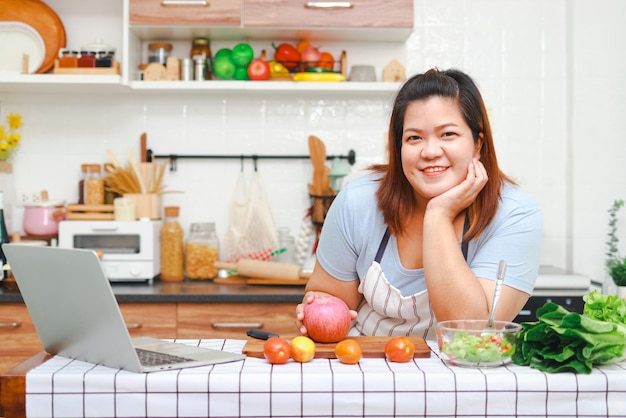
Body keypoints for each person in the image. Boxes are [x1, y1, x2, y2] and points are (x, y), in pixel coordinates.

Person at [296, 68, 543, 340]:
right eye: (414, 137)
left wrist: (438, 215)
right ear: (398, 146)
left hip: (462, 374)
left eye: (448, 134)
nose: (430, 152)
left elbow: (471, 333)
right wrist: (318, 311)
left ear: (477, 144)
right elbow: (331, 299)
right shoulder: (358, 201)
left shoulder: (514, 214)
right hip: (366, 365)